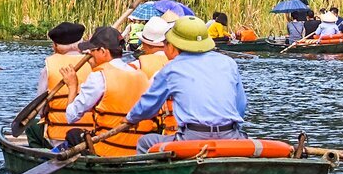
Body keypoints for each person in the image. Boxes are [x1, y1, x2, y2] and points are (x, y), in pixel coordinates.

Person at [124, 16, 249, 153]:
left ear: (173, 46)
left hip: (192, 137)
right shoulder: (228, 63)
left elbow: (148, 106)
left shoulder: (172, 68)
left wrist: (130, 119)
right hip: (230, 135)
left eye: (166, 44)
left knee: (144, 142)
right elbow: (241, 106)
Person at [63, 27, 161, 156]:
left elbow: (71, 116)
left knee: (72, 134)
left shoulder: (99, 77)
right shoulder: (141, 75)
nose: (89, 54)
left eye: (92, 50)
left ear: (103, 51)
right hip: (137, 150)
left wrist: (72, 86)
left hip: (107, 150)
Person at [39, 22, 94, 143]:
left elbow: (40, 109)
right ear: (81, 43)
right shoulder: (94, 64)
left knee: (32, 127)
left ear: (55, 45)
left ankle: (40, 152)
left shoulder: (48, 67)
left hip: (57, 135)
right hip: (92, 134)